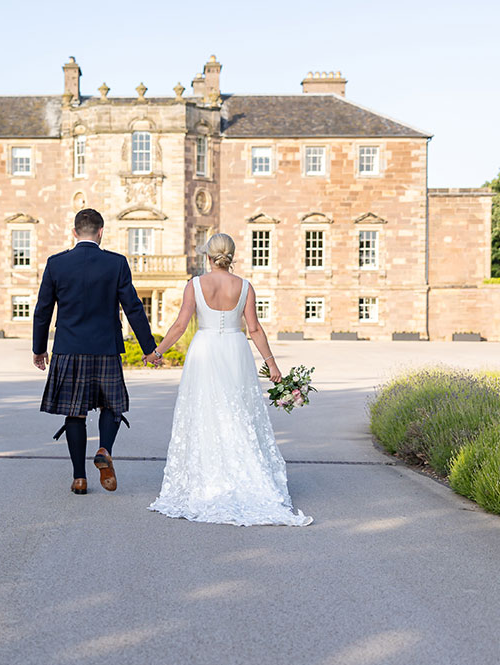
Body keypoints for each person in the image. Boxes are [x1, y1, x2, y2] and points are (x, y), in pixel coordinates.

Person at [148, 233, 312, 526]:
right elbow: (255, 329)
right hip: (236, 349)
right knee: (238, 412)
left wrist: (157, 351)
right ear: (231, 256)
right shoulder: (245, 286)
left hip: (205, 350)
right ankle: (246, 477)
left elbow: (180, 324)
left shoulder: (195, 285)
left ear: (207, 257)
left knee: (205, 413)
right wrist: (272, 365)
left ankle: (210, 479)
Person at [32, 208, 161, 495]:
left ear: (74, 232)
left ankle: (79, 478)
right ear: (101, 232)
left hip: (69, 350)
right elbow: (133, 308)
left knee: (74, 414)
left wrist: (39, 349)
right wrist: (149, 349)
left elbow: (42, 311)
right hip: (105, 349)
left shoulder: (56, 264)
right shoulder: (116, 264)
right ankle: (104, 449)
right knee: (111, 407)